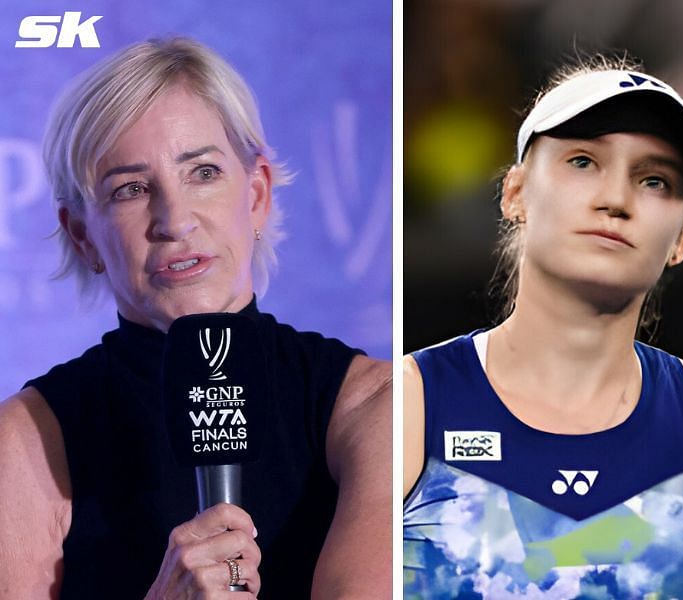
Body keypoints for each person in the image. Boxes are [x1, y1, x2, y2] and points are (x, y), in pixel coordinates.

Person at [0, 37, 391, 598]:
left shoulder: (375, 406)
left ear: (256, 196)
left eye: (202, 172)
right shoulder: (24, 443)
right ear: (83, 235)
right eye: (131, 189)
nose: (175, 219)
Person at [402, 55, 683, 598]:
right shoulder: (407, 404)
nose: (615, 199)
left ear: (681, 236)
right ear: (514, 192)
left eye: (655, 180)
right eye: (583, 161)